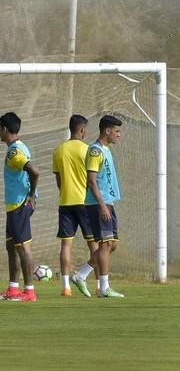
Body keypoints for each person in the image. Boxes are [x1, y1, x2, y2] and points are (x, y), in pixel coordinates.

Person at [0, 112, 40, 302]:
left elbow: (34, 172)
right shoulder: (15, 148)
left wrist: (30, 195)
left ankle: (29, 292)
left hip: (20, 204)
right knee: (11, 246)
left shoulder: (15, 152)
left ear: (4, 129)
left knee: (23, 248)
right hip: (13, 205)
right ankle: (13, 289)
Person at [52, 115, 99, 297]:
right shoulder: (88, 150)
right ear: (81, 129)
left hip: (65, 202)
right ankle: (99, 285)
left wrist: (66, 192)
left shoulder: (58, 150)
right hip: (85, 203)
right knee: (94, 246)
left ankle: (65, 287)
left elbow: (59, 181)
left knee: (66, 245)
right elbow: (91, 180)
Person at [82, 115, 125, 298]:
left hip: (107, 202)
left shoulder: (105, 150)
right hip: (98, 204)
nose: (119, 135)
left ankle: (81, 274)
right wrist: (102, 205)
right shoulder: (95, 151)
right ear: (107, 130)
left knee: (112, 244)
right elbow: (91, 181)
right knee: (105, 243)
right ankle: (103, 288)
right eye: (117, 131)